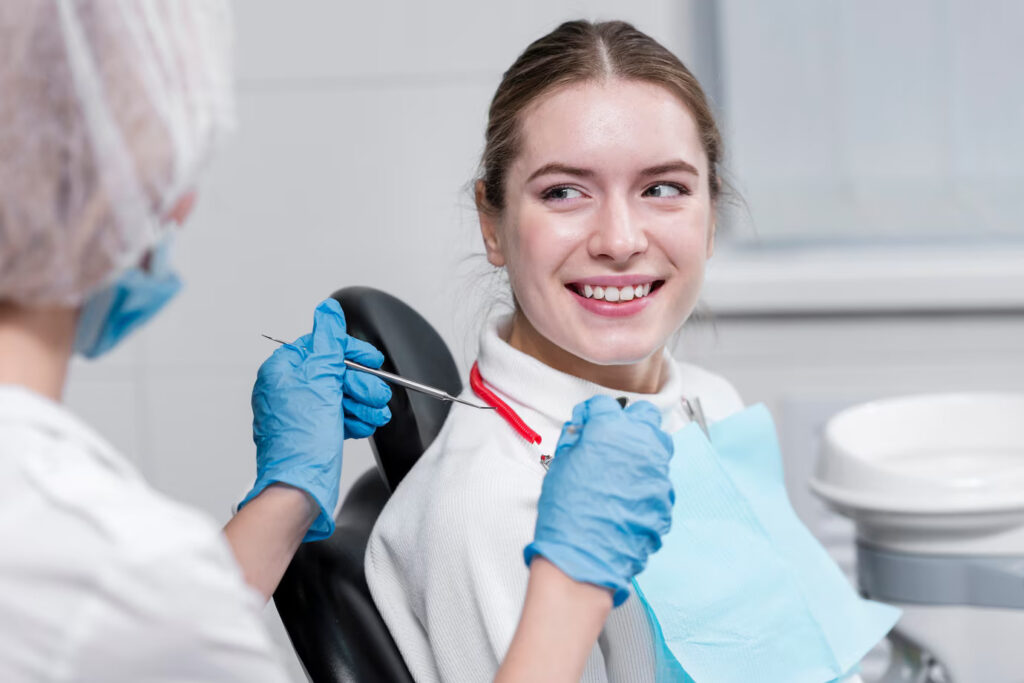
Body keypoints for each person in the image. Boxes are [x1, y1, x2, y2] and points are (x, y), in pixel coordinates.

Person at [0, 4, 674, 681]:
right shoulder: (94, 564)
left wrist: (286, 494)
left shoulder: (92, 564)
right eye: (161, 173)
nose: (620, 239)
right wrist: (565, 589)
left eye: (665, 187)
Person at [364, 18, 857, 682]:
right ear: (493, 225)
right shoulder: (484, 508)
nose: (620, 240)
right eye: (564, 191)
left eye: (663, 188)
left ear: (711, 216)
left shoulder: (707, 399)